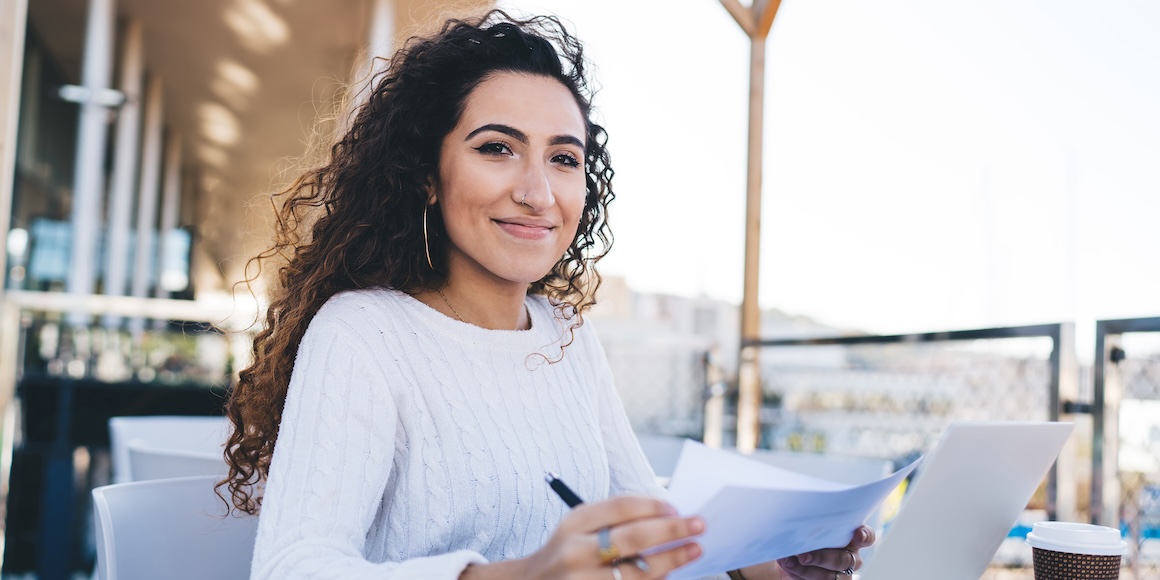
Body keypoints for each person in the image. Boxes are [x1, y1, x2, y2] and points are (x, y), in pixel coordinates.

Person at [221, 10, 873, 580]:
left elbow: (644, 519)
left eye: (564, 158)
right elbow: (291, 568)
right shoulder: (362, 333)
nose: (538, 192)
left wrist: (771, 560)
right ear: (426, 175)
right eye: (497, 148)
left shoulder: (566, 333)